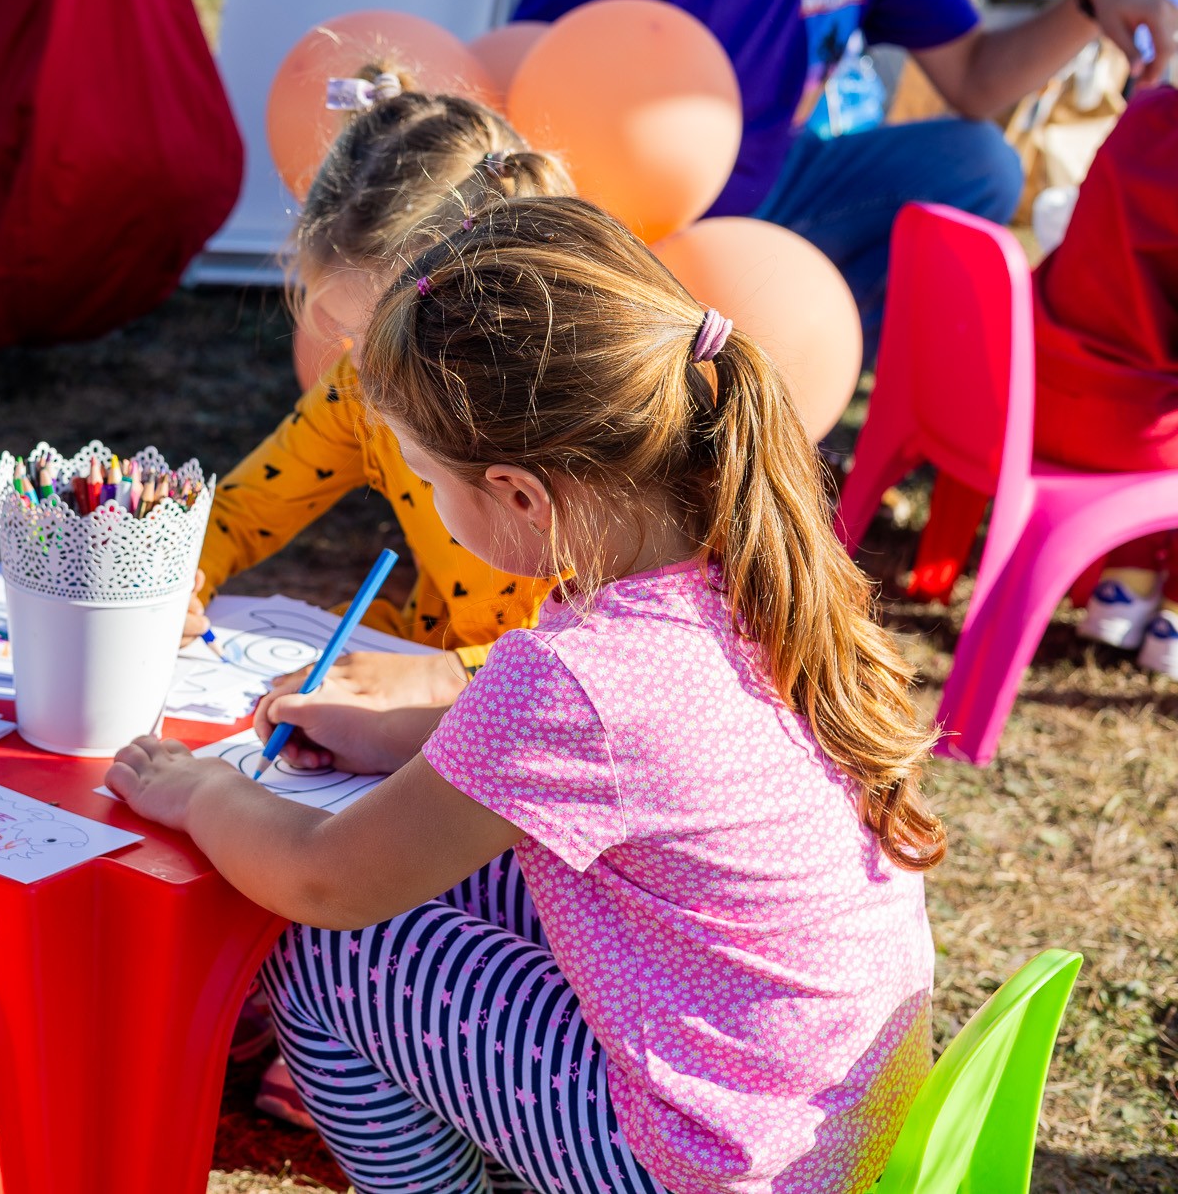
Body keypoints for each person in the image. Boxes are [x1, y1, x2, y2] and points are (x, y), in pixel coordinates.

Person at [111, 195, 945, 1194]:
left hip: (704, 1164)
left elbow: (327, 882)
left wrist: (201, 794)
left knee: (331, 959)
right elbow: (613, 769)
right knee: (470, 874)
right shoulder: (747, 573)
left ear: (516, 494)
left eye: (424, 477)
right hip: (836, 1133)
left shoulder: (573, 678)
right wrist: (403, 736)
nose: (422, 495)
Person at [512, 0, 1178, 354]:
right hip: (638, 246)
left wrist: (1093, 0)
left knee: (981, 165)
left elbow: (976, 80)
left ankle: (804, 388)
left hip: (779, 185)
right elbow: (519, 150)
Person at [192, 75, 570, 719]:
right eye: (345, 331)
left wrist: (442, 679)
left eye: (390, 336)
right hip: (424, 696)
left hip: (541, 728)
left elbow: (625, 656)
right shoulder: (359, 390)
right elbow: (244, 508)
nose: (365, 365)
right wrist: (182, 581)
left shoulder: (579, 416)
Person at [1035, 87, 1178, 675]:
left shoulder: (1148, 112)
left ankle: (1124, 587)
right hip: (1137, 435)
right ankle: (1171, 620)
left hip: (1038, 398)